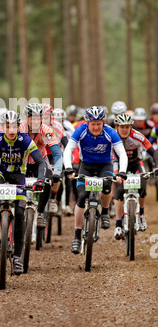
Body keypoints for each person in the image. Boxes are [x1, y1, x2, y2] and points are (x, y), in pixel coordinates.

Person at [0, 110, 47, 275]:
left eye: (14, 126)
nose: (11, 130)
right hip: (0, 172)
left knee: (20, 214)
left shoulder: (25, 140)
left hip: (18, 177)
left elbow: (40, 162)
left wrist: (40, 179)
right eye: (7, 126)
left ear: (19, 126)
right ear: (2, 126)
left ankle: (18, 258)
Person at [63, 105, 128, 254]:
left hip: (105, 165)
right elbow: (68, 150)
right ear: (87, 123)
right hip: (85, 166)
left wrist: (122, 172)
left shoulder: (110, 132)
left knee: (106, 185)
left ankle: (104, 212)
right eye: (93, 124)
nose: (96, 127)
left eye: (99, 124)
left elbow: (121, 153)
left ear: (103, 123)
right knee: (81, 197)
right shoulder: (80, 130)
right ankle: (77, 236)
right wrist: (68, 167)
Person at [113, 113, 158, 238]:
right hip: (117, 164)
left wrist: (157, 166)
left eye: (127, 127)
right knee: (118, 189)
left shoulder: (137, 136)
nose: (124, 130)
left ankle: (141, 213)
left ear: (131, 127)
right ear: (116, 127)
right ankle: (117, 224)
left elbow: (153, 152)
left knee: (143, 187)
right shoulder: (112, 137)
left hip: (135, 164)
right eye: (122, 127)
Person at [19, 103, 63, 227]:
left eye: (38, 118)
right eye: (32, 118)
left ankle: (40, 213)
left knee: (48, 180)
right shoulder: (20, 129)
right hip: (22, 162)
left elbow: (57, 155)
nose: (35, 121)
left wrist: (57, 172)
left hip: (40, 162)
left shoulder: (47, 131)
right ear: (26, 118)